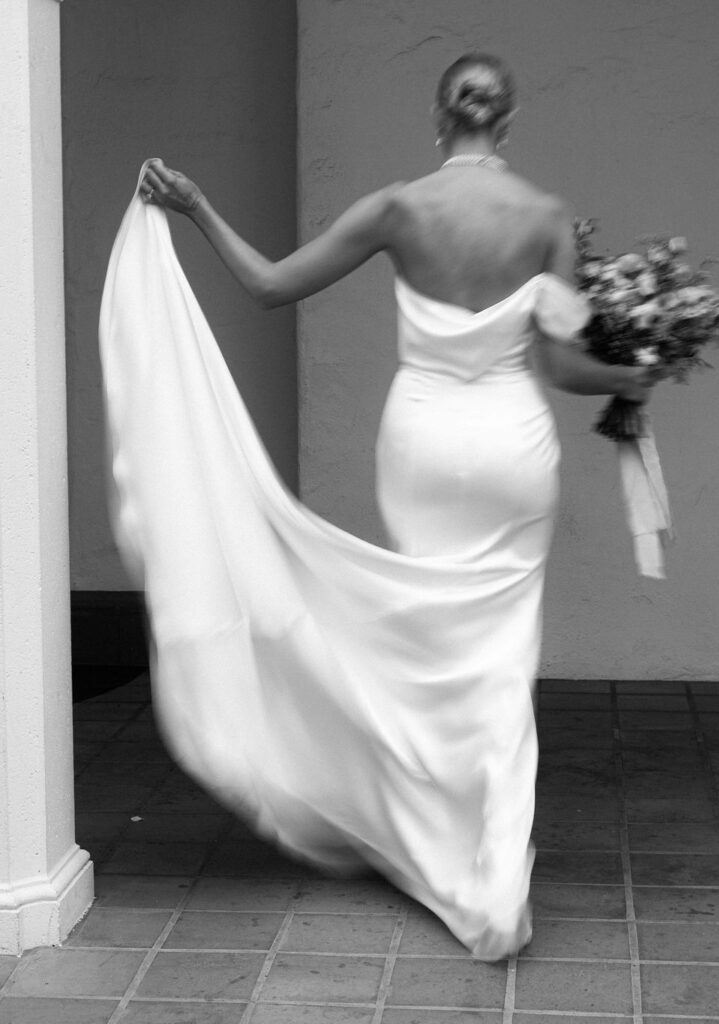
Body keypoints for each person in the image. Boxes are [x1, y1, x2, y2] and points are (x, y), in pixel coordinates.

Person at [110, 53, 650, 960]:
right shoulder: (550, 220)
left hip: (424, 446)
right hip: (514, 448)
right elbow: (562, 365)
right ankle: (487, 874)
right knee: (497, 654)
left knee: (424, 635)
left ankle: (424, 832)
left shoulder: (399, 207)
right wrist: (634, 370)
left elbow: (270, 285)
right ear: (507, 124)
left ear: (441, 120)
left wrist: (196, 207)